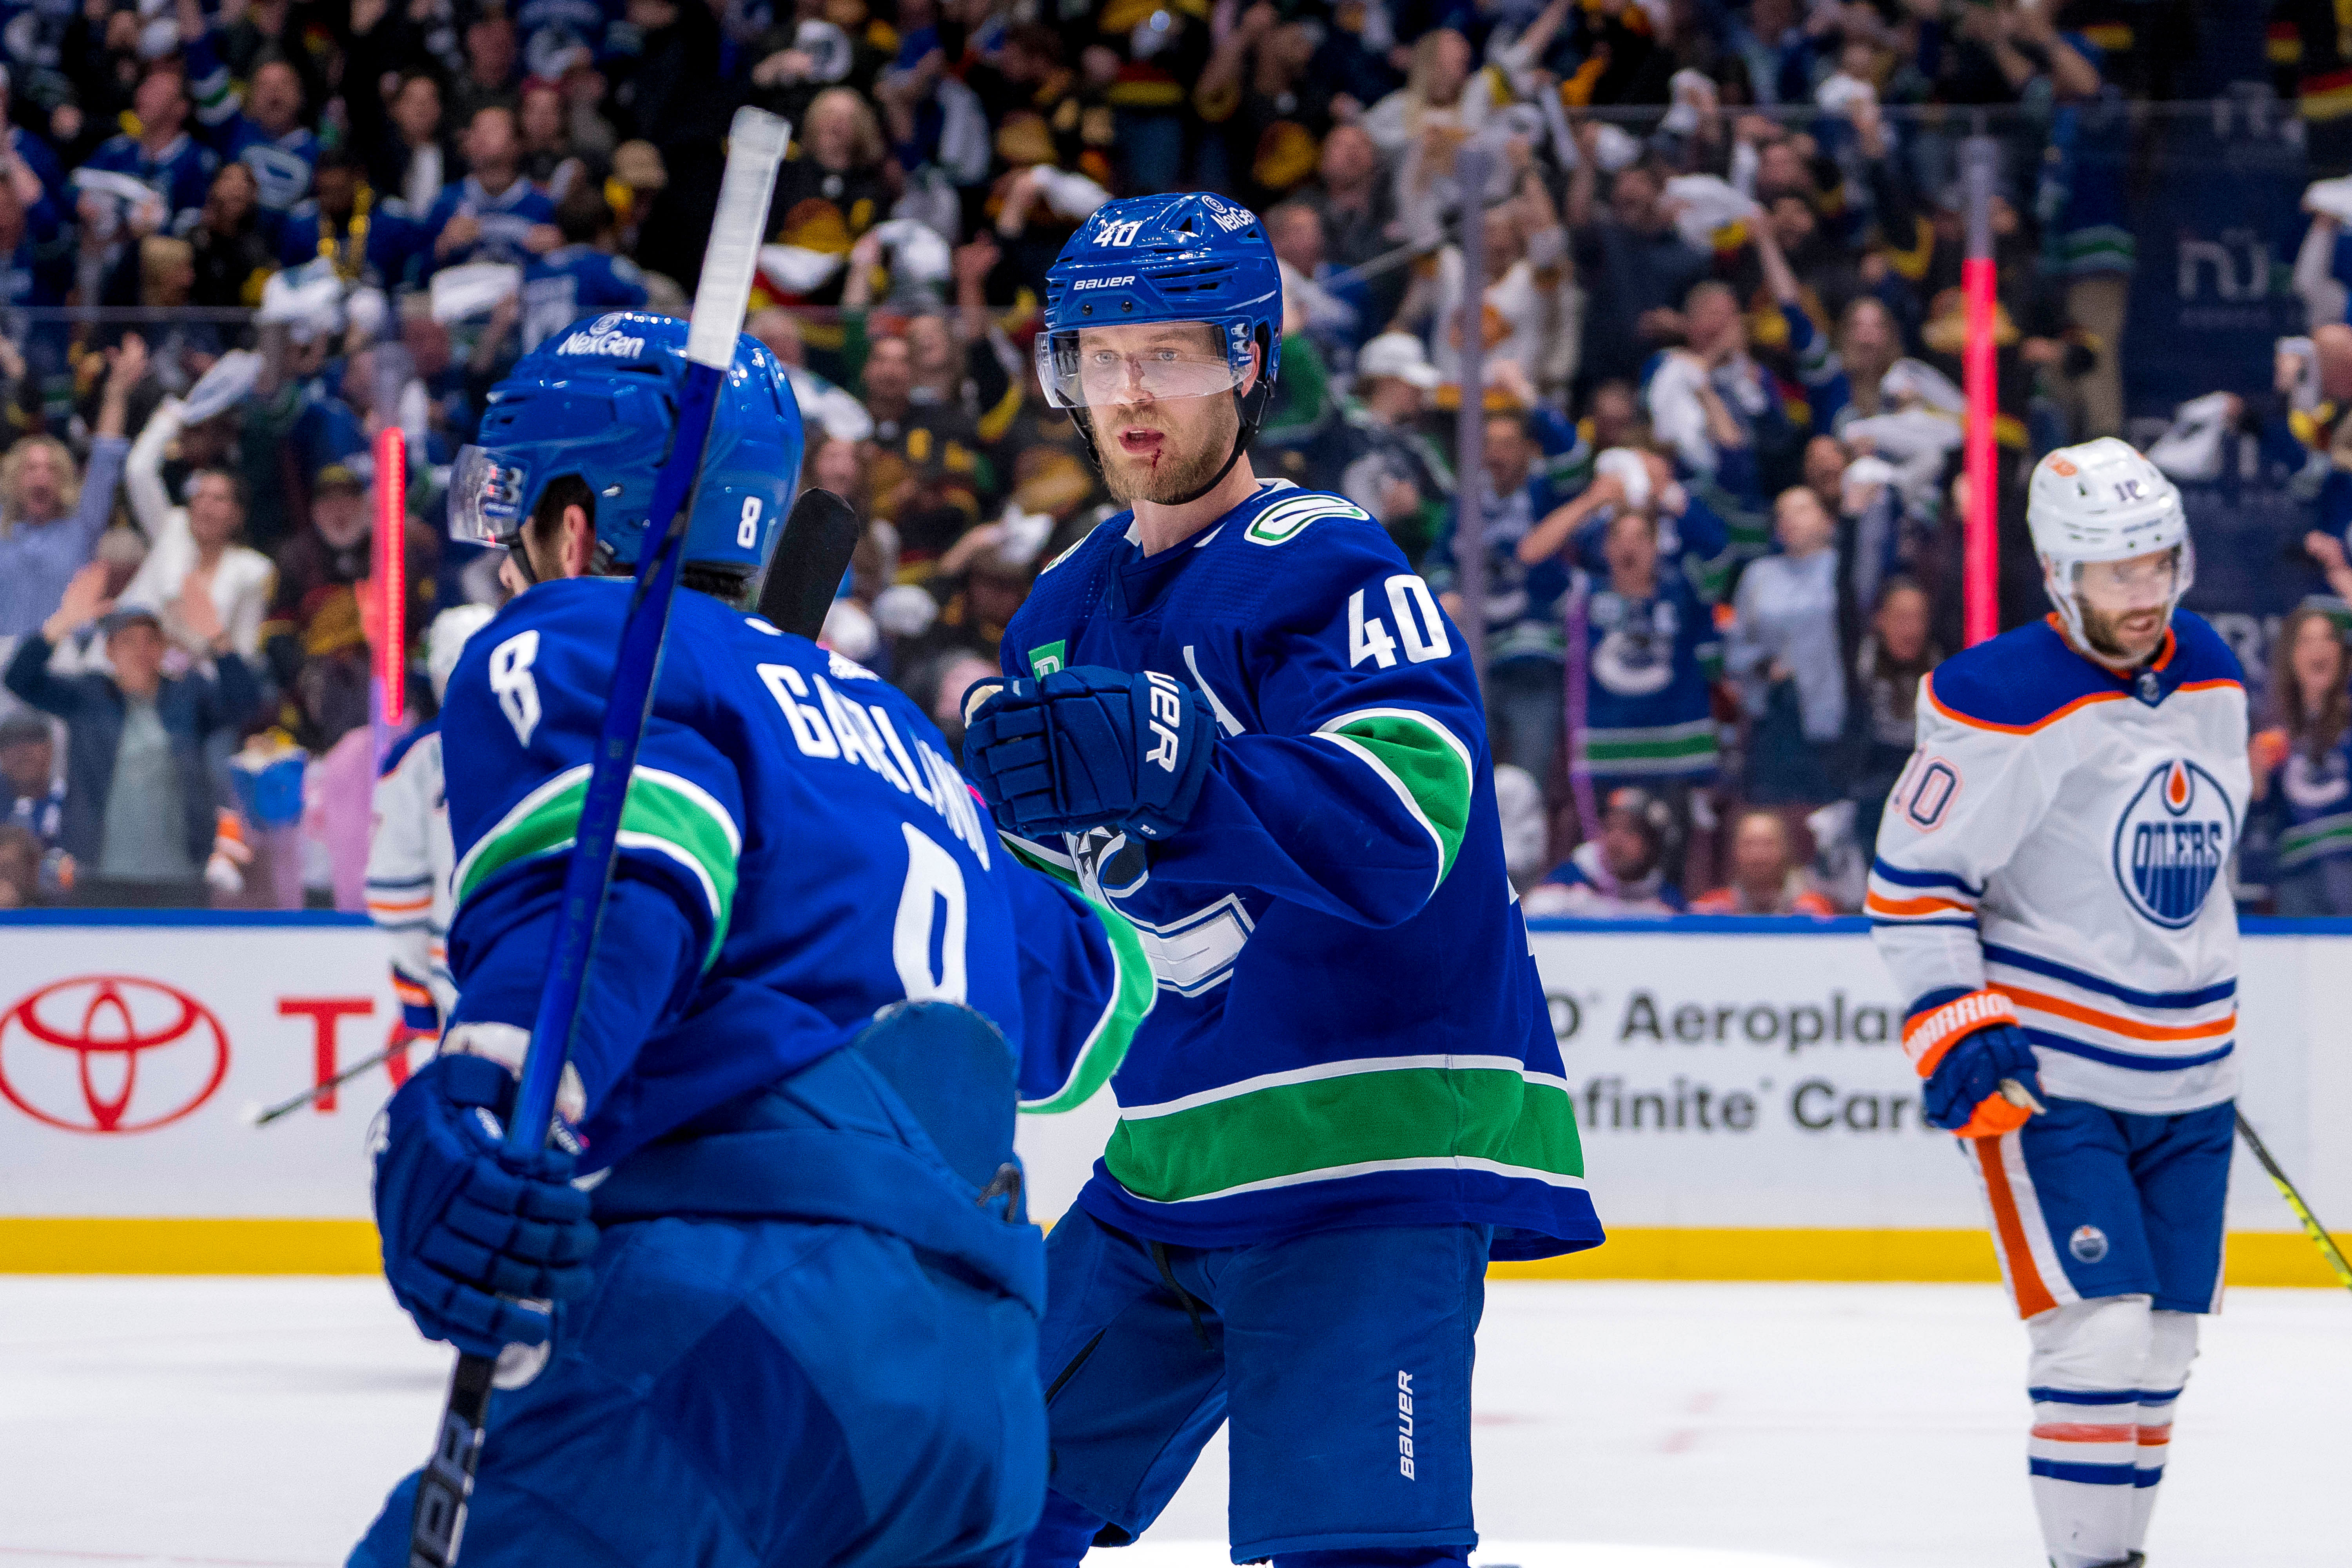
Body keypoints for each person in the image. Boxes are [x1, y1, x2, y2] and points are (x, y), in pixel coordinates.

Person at [347, 316, 1150, 1568]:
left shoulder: (587, 640)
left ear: (572, 526)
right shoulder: (906, 745)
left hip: (737, 1329)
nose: (503, 567)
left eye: (510, 527)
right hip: (978, 1407)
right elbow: (1092, 1011)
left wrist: (491, 1095)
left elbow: (624, 878)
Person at [965, 192, 1601, 1568]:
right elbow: (1076, 930)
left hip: (1368, 1152)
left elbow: (1408, 830)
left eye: (1172, 357)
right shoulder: (1057, 613)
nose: (1132, 396)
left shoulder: (1325, 562)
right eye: (1101, 359)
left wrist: (1188, 766)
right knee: (977, 1507)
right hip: (1167, 1161)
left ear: (1250, 362)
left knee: (1357, 1554)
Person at [1867, 438, 2247, 1568]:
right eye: (2117, 572)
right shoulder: (2001, 699)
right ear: (2059, 575)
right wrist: (1952, 1021)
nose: (2146, 594)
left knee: (2167, 1344)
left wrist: (2187, 1004)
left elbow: (2196, 870)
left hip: (2195, 1078)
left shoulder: (2215, 667)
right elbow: (1913, 885)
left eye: (2160, 565)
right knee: (2098, 1336)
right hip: (2058, 1078)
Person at [4, 572, 257, 907]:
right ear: (109, 651)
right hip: (99, 872)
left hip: (181, 873)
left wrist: (217, 639)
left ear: (163, 647)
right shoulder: (88, 697)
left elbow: (246, 704)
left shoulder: (188, 695)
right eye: (127, 641)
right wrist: (61, 623)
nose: (140, 650)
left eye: (150, 640)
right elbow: (19, 679)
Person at [366, 603, 494, 1045]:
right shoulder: (549, 740)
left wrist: (414, 983)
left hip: (456, 974)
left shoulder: (416, 759)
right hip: (537, 967)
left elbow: (395, 886)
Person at [0, 336, 142, 637]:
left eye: (51, 469)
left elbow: (105, 458)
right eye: (31, 468)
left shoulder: (82, 527)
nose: (41, 476)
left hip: (66, 665)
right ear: (13, 479)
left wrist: (116, 393)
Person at [2249, 604, 2352, 916]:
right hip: (2298, 880)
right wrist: (2255, 775)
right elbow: (2258, 814)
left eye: (2327, 639)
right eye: (2306, 641)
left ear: (2343, 654)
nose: (2318, 649)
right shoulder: (2271, 730)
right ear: (2291, 657)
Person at [1524, 784, 1686, 917]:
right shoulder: (1573, 876)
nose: (1616, 840)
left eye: (1631, 831)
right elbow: (1533, 908)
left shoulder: (1665, 896)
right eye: (1609, 828)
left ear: (1653, 844)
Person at [1689, 808, 1835, 916]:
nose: (1758, 855)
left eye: (1768, 844)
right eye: (1749, 844)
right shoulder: (1711, 909)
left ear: (1786, 849)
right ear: (1735, 851)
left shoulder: (1814, 909)